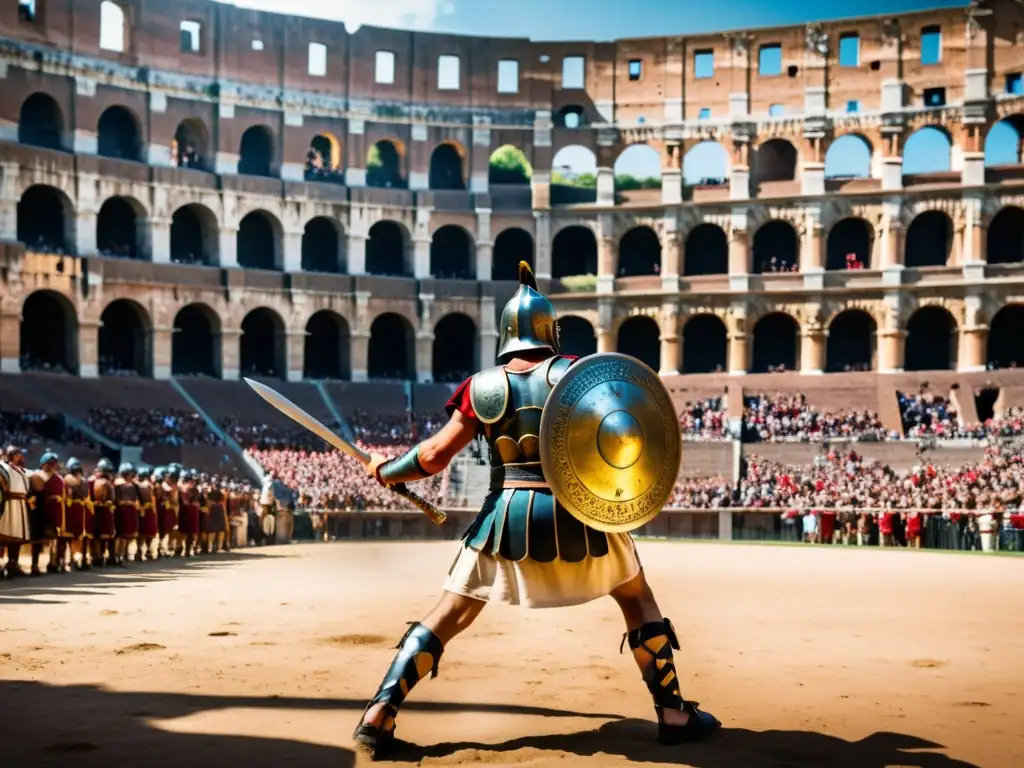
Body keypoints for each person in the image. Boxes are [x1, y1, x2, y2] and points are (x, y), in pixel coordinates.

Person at [350, 262, 719, 760]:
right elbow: (623, 433)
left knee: (448, 613)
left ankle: (380, 713)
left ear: (505, 333)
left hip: (504, 519)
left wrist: (387, 470)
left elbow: (435, 457)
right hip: (582, 514)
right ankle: (673, 713)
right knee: (636, 598)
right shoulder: (578, 375)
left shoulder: (481, 387)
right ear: (551, 332)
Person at [29, 451, 65, 574]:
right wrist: (33, 508)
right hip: (39, 512)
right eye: (49, 463)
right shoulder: (36, 476)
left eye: (54, 463)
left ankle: (53, 563)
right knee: (37, 540)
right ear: (43, 464)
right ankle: (34, 565)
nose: (51, 466)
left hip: (54, 512)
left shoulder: (59, 479)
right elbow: (31, 495)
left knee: (53, 539)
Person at [0, 445, 32, 578]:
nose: (22, 457)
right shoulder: (2, 467)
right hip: (8, 505)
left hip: (20, 505)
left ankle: (13, 564)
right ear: (12, 455)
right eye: (19, 454)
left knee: (17, 538)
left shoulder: (19, 470)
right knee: (3, 536)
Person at [63, 458, 92, 570]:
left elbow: (84, 494)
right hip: (74, 509)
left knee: (81, 535)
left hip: (79, 509)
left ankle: (80, 559)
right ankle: (74, 559)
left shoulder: (80, 480)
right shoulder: (73, 480)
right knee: (74, 535)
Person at [90, 459, 117, 566]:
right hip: (104, 511)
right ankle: (103, 556)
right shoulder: (107, 483)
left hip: (95, 511)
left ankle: (98, 556)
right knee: (106, 536)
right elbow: (112, 499)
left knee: (97, 536)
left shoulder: (92, 481)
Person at [113, 462, 140, 565]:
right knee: (121, 535)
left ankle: (122, 554)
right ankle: (117, 555)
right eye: (129, 474)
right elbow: (117, 500)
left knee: (128, 535)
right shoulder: (118, 484)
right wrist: (128, 502)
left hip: (130, 512)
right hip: (121, 512)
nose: (131, 476)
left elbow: (136, 498)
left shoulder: (133, 485)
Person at [137, 466, 158, 561]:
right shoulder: (149, 485)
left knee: (141, 531)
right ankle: (148, 550)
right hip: (149, 509)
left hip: (140, 509)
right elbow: (151, 498)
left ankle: (139, 551)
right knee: (149, 532)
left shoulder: (137, 484)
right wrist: (154, 511)